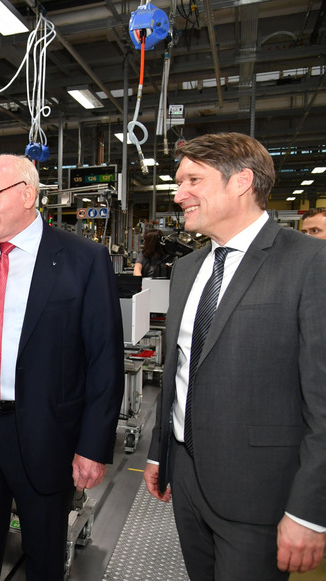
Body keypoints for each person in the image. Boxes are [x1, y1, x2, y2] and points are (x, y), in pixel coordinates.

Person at [143, 132, 326, 580]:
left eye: (192, 180)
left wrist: (309, 512)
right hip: (186, 477)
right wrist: (159, 452)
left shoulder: (309, 262)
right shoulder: (187, 268)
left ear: (241, 181)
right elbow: (179, 372)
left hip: (260, 493)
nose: (178, 193)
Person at [0, 154, 124, 580]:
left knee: (43, 552)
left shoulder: (82, 258)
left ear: (27, 193)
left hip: (45, 432)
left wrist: (93, 447)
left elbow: (104, 359)